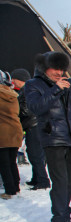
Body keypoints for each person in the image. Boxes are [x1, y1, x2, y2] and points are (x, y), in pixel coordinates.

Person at [24, 51, 71, 222]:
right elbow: (35, 107)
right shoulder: (33, 85)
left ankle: (65, 214)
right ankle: (58, 220)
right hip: (51, 138)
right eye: (56, 69)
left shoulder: (66, 85)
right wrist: (55, 89)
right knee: (60, 181)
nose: (59, 73)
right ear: (45, 68)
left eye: (62, 69)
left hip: (69, 138)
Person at [11, 68, 50, 190]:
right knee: (33, 153)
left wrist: (16, 111)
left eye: (14, 79)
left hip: (34, 125)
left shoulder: (27, 90)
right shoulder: (26, 90)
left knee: (36, 154)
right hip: (32, 125)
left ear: (20, 79)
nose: (12, 81)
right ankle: (36, 178)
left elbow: (28, 109)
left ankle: (43, 180)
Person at [0, 70, 23, 200]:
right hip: (15, 131)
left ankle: (9, 191)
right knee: (12, 162)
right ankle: (15, 187)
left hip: (2, 133)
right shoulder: (13, 95)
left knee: (4, 164)